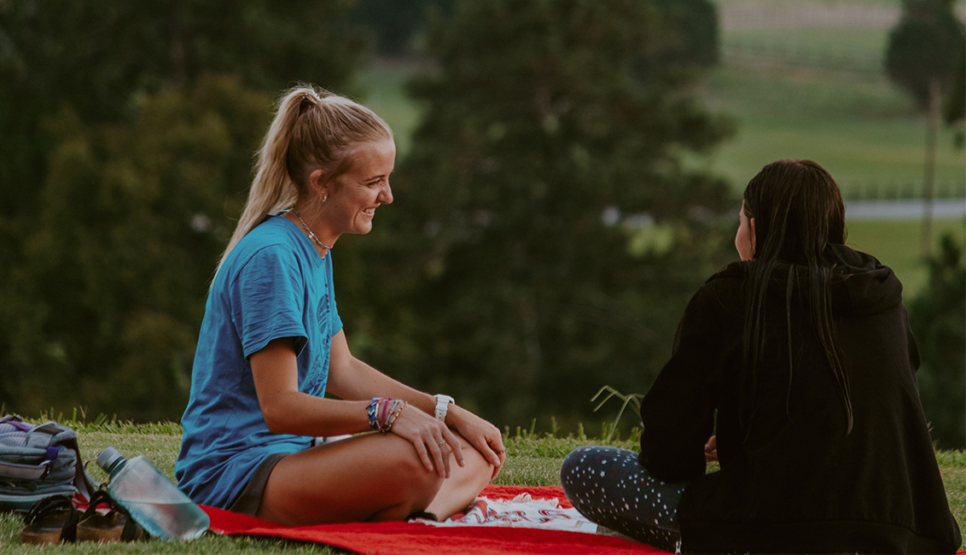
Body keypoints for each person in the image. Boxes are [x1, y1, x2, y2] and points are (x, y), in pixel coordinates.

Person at [560, 160, 962, 553]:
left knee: (584, 467)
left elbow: (668, 452)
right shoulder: (883, 299)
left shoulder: (732, 298)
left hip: (772, 532)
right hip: (903, 532)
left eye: (739, 222)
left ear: (754, 228)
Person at [175, 85, 505, 526]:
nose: (387, 196)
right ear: (321, 183)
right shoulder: (272, 257)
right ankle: (420, 505)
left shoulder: (314, 248)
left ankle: (424, 516)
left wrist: (446, 411)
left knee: (473, 447)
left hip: (299, 457)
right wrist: (387, 415)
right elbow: (280, 408)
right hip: (238, 476)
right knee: (420, 457)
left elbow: (341, 369)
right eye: (373, 182)